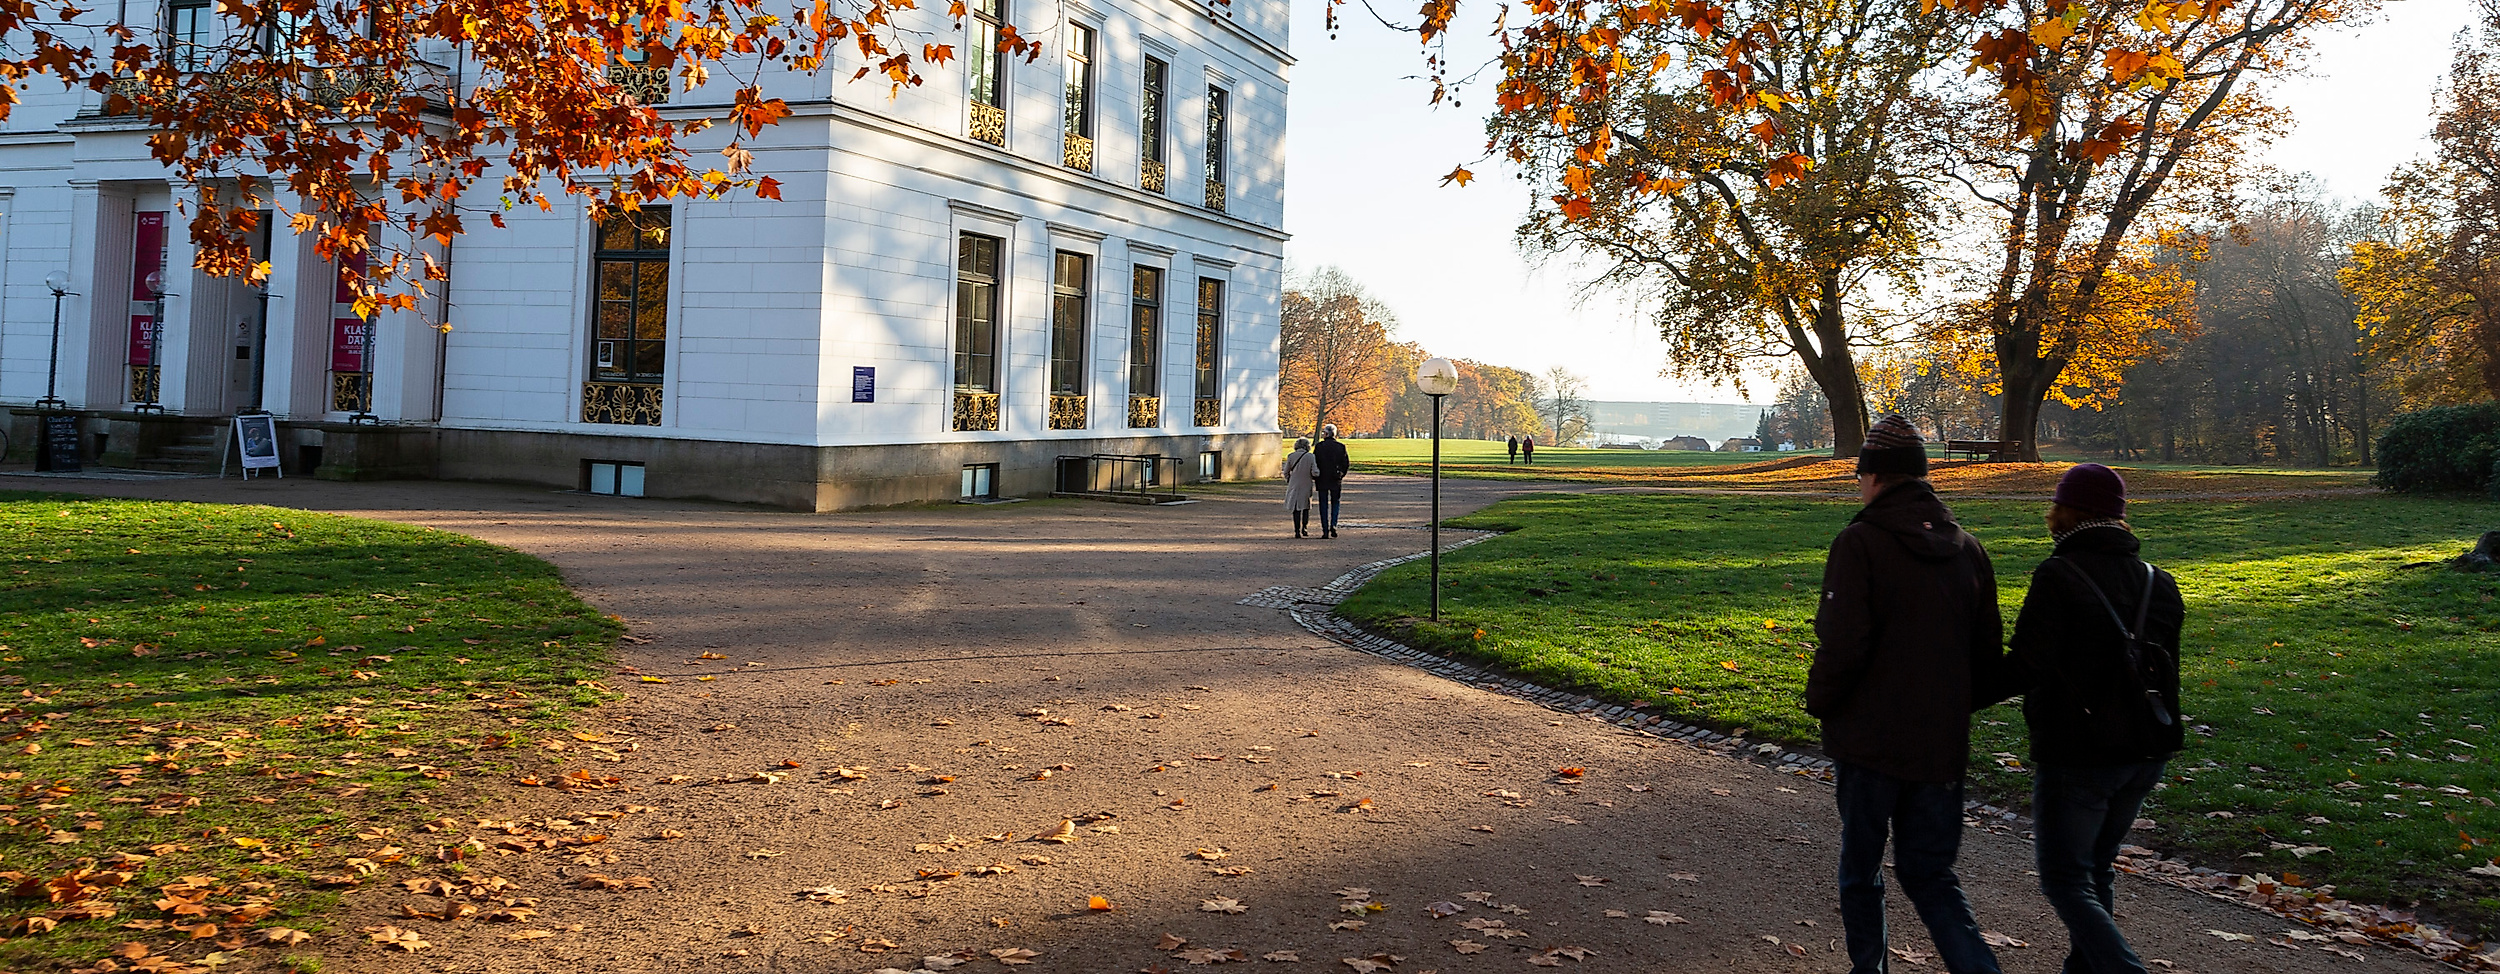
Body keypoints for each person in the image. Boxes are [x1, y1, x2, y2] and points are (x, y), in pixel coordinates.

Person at [1807, 414, 2003, 974]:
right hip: (1940, 743)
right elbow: (1987, 656)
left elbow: (1843, 643)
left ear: (1873, 476)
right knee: (1931, 874)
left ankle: (1869, 968)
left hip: (1869, 740)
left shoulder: (1860, 543)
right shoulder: (1969, 550)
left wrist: (1821, 702)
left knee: (1861, 868)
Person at [1986, 464, 2184, 974]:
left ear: (2065, 511)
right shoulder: (2158, 582)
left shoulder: (2059, 575)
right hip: (2146, 749)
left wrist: (1955, 696)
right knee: (2096, 869)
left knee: (2066, 878)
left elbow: (2027, 665)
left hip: (2079, 750)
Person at [1314, 425, 1351, 538]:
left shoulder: (1319, 446)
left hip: (1322, 478)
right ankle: (1333, 523)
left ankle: (1325, 529)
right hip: (1335, 478)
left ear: (1326, 434)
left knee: (1323, 504)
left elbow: (1315, 462)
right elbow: (1345, 463)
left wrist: (1316, 475)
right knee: (1335, 502)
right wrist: (1341, 474)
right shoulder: (1340, 447)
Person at [1283, 437, 1316, 539]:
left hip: (1294, 484)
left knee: (1295, 507)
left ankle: (1296, 530)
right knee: (1305, 506)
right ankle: (1304, 527)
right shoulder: (1311, 457)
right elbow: (1315, 472)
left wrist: (1289, 480)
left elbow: (1286, 472)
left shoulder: (1291, 456)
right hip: (1306, 483)